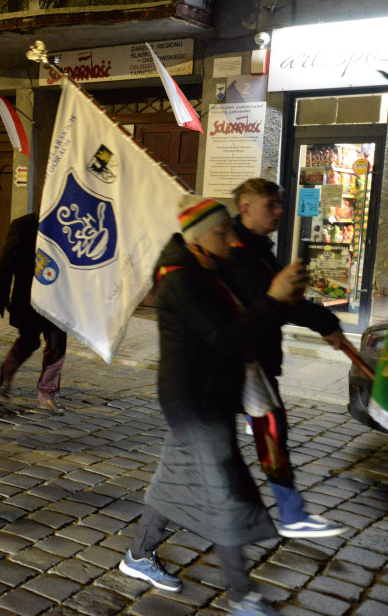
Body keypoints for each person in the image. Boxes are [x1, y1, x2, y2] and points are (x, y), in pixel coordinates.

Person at [119, 196, 307, 616]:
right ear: (199, 239)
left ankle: (137, 555)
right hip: (194, 404)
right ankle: (243, 595)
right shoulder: (181, 280)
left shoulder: (211, 269)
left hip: (211, 397)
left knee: (172, 484)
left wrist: (283, 298)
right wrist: (274, 300)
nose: (229, 237)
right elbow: (225, 337)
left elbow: (251, 310)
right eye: (222, 232)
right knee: (225, 490)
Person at [228, 177, 348, 538]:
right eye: (271, 205)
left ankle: (280, 512)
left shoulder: (257, 248)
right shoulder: (238, 252)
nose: (280, 211)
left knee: (226, 446)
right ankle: (290, 514)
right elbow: (277, 304)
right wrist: (323, 323)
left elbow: (285, 300)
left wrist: (325, 323)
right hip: (240, 364)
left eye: (280, 204)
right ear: (246, 208)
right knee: (268, 433)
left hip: (254, 362)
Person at [0, 213, 68, 412]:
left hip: (58, 299)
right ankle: (7, 371)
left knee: (57, 345)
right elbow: (6, 264)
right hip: (29, 299)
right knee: (29, 341)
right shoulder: (23, 225)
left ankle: (46, 393)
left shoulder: (68, 228)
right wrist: (1, 295)